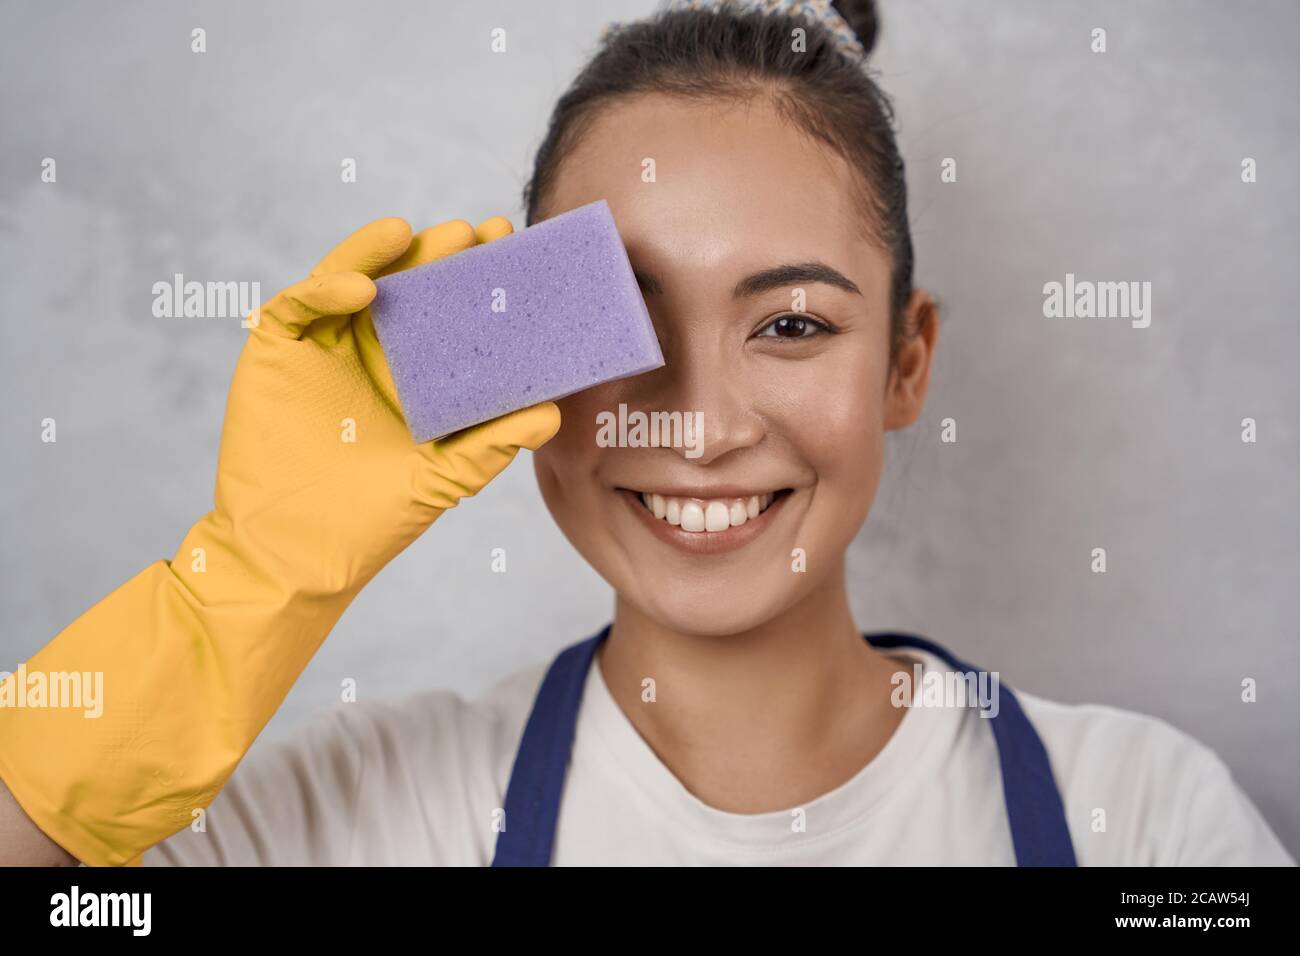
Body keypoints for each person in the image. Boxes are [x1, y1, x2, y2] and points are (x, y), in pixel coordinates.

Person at [0, 0, 1292, 867]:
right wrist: (241, 583)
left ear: (907, 361)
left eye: (790, 325)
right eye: (624, 321)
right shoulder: (351, 815)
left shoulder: (1149, 824)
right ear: (522, 363)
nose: (700, 419)